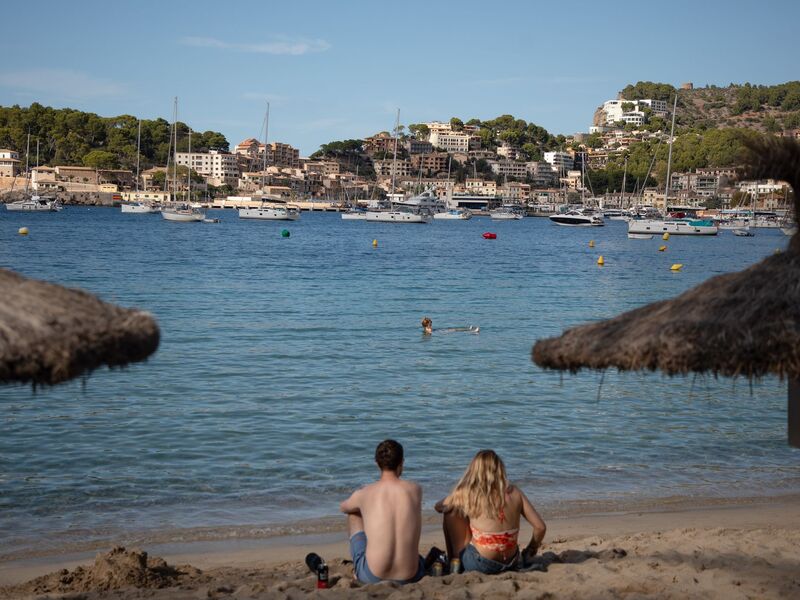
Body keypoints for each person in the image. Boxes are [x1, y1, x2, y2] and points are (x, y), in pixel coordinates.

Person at [435, 450, 546, 574]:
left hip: (481, 563)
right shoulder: (514, 492)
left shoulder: (468, 492)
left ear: (473, 470)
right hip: (512, 561)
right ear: (499, 469)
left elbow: (439, 507)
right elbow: (540, 527)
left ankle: (455, 561)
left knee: (451, 511)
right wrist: (530, 550)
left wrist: (461, 498)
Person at [340, 440, 425, 584]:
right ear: (402, 462)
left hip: (373, 576)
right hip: (411, 575)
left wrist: (362, 502)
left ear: (376, 463)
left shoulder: (364, 493)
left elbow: (343, 507)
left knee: (353, 514)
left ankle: (361, 567)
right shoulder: (415, 490)